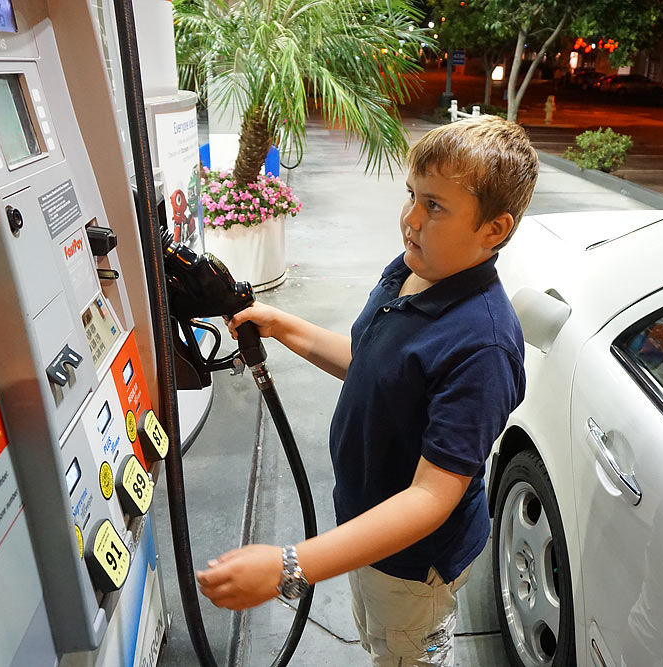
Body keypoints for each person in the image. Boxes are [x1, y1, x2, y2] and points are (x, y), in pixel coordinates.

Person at [196, 115, 538, 666]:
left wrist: (292, 565)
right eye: (412, 195)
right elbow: (374, 366)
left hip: (412, 563)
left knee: (404, 650)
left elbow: (431, 497)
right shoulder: (412, 270)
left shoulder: (482, 347)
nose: (410, 219)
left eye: (435, 207)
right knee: (379, 634)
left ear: (493, 230)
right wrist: (289, 327)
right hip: (368, 526)